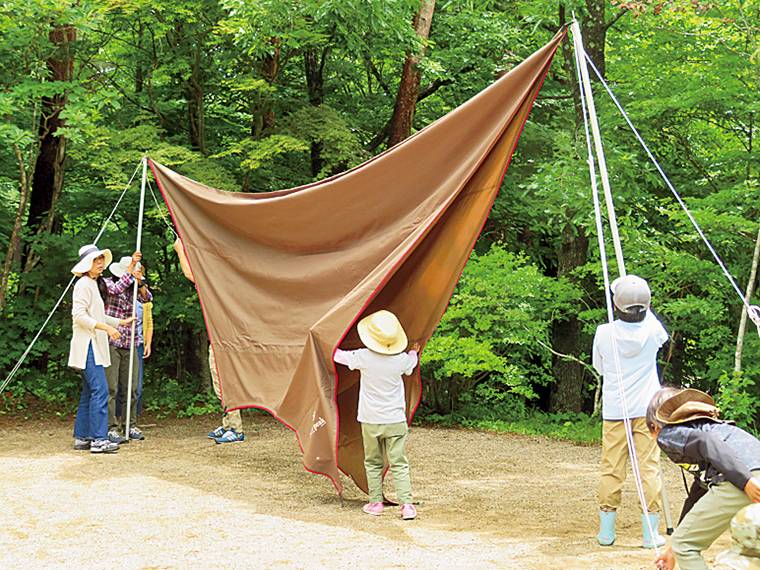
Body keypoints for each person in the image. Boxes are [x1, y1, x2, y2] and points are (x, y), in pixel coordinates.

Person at [593, 274, 669, 548]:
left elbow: (599, 367)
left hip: (615, 409)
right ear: (647, 307)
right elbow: (654, 325)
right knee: (648, 468)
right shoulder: (653, 330)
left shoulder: (604, 332)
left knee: (611, 468)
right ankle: (650, 534)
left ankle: (606, 533)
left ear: (616, 306)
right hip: (648, 411)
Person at [646, 388, 760, 570]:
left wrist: (745, 480)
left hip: (743, 478)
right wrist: (673, 547)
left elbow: (706, 442)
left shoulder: (668, 433)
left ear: (655, 427)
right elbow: (698, 492)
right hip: (748, 472)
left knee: (685, 545)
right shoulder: (710, 426)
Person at [333, 310, 420, 520]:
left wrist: (328, 341)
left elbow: (339, 356)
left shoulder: (364, 356)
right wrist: (413, 353)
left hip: (370, 420)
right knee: (399, 463)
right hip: (395, 420)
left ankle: (376, 503)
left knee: (373, 462)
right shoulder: (400, 359)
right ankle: (407, 505)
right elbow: (411, 364)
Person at [173, 238, 244, 443]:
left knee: (226, 384)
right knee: (218, 384)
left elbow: (189, 274)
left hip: (227, 342)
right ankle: (228, 424)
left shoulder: (223, 284)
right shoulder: (223, 282)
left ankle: (236, 430)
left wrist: (179, 250)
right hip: (220, 340)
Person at [69, 244, 136, 453]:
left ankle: (83, 437)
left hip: (93, 344)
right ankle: (98, 439)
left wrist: (120, 322)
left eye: (101, 260)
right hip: (87, 345)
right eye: (96, 260)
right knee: (101, 390)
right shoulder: (83, 284)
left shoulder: (92, 284)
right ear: (87, 264)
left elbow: (97, 315)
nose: (100, 263)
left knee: (89, 392)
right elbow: (78, 315)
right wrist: (106, 327)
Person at [104, 252, 153, 444]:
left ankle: (129, 424)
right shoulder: (108, 283)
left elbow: (147, 298)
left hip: (131, 343)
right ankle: (110, 428)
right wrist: (132, 269)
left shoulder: (134, 288)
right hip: (112, 341)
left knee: (132, 387)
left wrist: (139, 283)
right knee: (111, 387)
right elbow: (116, 290)